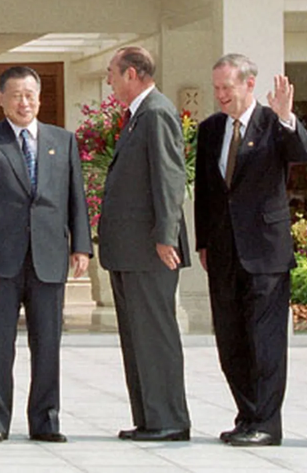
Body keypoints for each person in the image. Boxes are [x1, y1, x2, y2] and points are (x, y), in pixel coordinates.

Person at [0, 68, 91, 444]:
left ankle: (46, 422)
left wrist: (82, 245)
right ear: (1, 99)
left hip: (47, 256)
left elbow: (75, 196)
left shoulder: (62, 141)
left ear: (39, 98)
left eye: (30, 94)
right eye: (16, 95)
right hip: (0, 257)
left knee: (47, 344)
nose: (24, 102)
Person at [194, 54, 307, 447]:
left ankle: (267, 422)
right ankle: (247, 416)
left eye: (227, 88)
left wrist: (286, 117)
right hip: (224, 252)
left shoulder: (272, 124)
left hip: (265, 252)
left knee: (265, 342)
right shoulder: (211, 128)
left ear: (249, 84)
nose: (221, 95)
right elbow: (207, 192)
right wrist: (204, 242)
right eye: (216, 89)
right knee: (231, 339)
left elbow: (302, 153)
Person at [100, 46, 192, 442]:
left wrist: (165, 236)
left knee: (155, 335)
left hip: (150, 249)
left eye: (112, 73)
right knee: (137, 337)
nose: (109, 80)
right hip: (128, 250)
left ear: (132, 74)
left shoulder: (156, 112)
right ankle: (150, 418)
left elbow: (170, 178)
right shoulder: (138, 115)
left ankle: (169, 419)